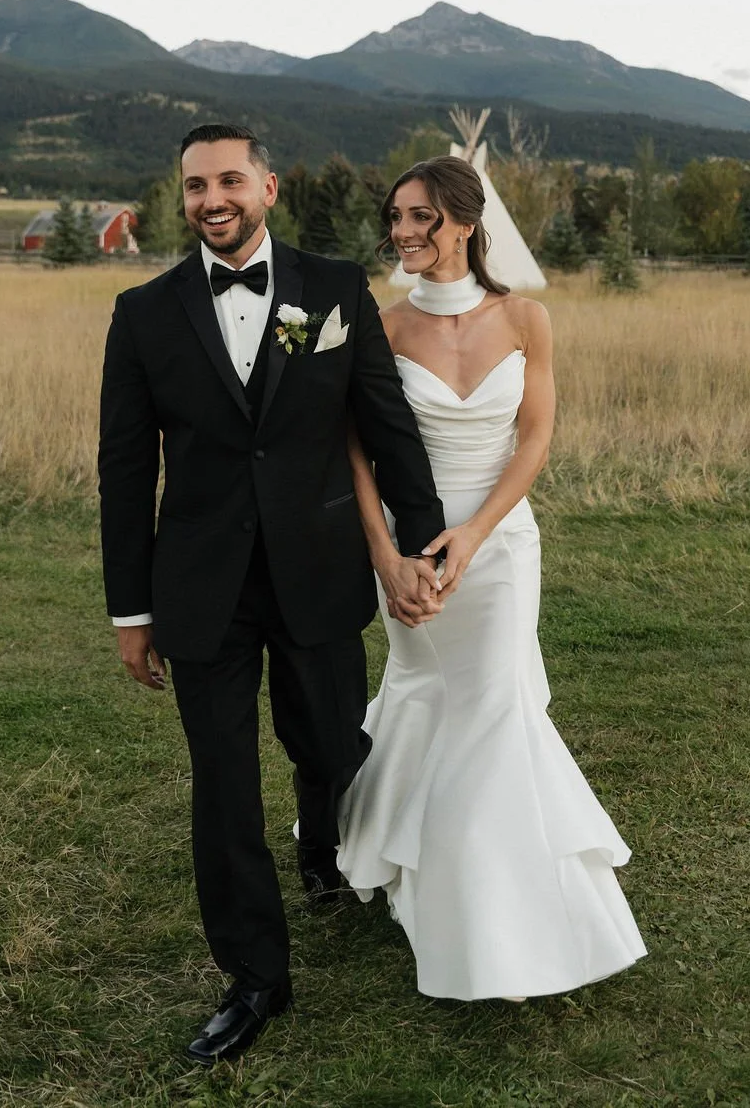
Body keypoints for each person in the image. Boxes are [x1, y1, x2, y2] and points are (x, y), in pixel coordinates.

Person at [98, 124, 445, 1064]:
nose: (212, 198)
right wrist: (131, 612)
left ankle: (322, 838)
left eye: (230, 180)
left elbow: (387, 420)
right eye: (195, 185)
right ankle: (256, 975)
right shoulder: (142, 314)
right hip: (200, 588)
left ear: (269, 188)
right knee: (223, 788)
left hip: (320, 571)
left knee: (329, 743)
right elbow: (125, 472)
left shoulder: (334, 292)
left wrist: (423, 545)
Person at [338, 156, 647, 1001]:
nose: (403, 231)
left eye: (422, 217)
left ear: (468, 222)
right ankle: (408, 854)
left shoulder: (527, 320)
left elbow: (535, 438)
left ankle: (496, 913)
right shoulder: (384, 325)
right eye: (396, 215)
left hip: (502, 545)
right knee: (422, 688)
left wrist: (475, 533)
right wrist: (386, 554)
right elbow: (354, 450)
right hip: (410, 549)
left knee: (497, 706)